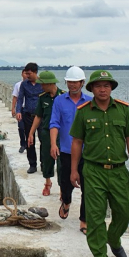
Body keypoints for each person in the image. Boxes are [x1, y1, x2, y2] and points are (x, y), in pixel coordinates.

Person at [70, 70, 129, 257]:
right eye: (99, 86)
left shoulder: (123, 110)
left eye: (107, 85)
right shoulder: (83, 112)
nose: (103, 89)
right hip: (93, 171)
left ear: (111, 88)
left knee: (125, 210)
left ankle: (114, 238)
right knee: (95, 216)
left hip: (119, 171)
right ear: (91, 89)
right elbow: (77, 142)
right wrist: (74, 170)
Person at [49, 66, 91, 233]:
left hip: (87, 153)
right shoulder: (59, 101)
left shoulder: (90, 101)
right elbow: (54, 123)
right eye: (70, 82)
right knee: (66, 184)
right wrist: (53, 144)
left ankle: (84, 220)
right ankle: (66, 202)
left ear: (82, 83)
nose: (72, 85)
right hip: (66, 151)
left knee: (88, 186)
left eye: (76, 82)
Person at [27, 71, 63, 195]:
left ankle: (62, 188)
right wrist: (31, 133)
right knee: (47, 160)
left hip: (61, 134)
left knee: (62, 162)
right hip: (47, 132)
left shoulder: (63, 96)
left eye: (42, 84)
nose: (40, 87)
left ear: (50, 83)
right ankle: (47, 182)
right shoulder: (43, 98)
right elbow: (38, 116)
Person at [13, 62, 42, 174]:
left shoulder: (42, 84)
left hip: (41, 116)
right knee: (30, 141)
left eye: (29, 74)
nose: (27, 76)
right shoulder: (24, 84)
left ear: (35, 72)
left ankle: (44, 164)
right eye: (26, 74)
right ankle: (32, 164)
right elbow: (20, 99)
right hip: (28, 115)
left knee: (43, 140)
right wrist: (18, 111)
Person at [11, 72, 26, 154]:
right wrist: (13, 108)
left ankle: (28, 144)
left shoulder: (33, 85)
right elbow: (15, 97)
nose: (26, 75)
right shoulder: (18, 85)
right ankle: (23, 144)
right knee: (21, 127)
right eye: (25, 73)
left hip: (30, 110)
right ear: (22, 74)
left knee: (30, 129)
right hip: (21, 109)